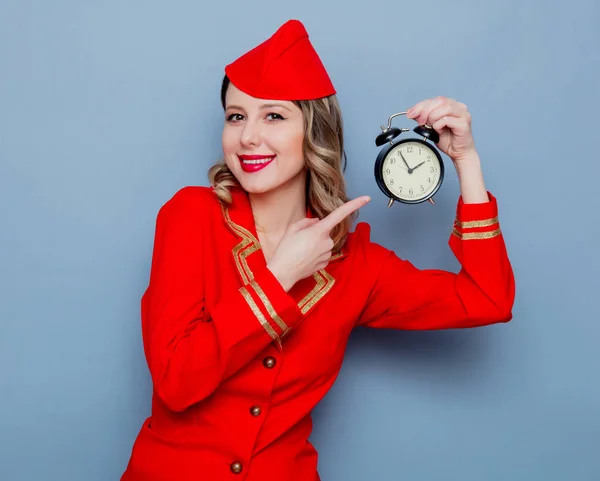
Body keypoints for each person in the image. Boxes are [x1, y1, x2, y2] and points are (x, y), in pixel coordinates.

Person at [120, 19, 515, 481]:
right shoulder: (191, 216)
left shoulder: (356, 263)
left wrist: (466, 161)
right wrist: (282, 274)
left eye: (273, 116)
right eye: (235, 116)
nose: (248, 136)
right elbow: (176, 382)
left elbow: (488, 298)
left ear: (315, 134)